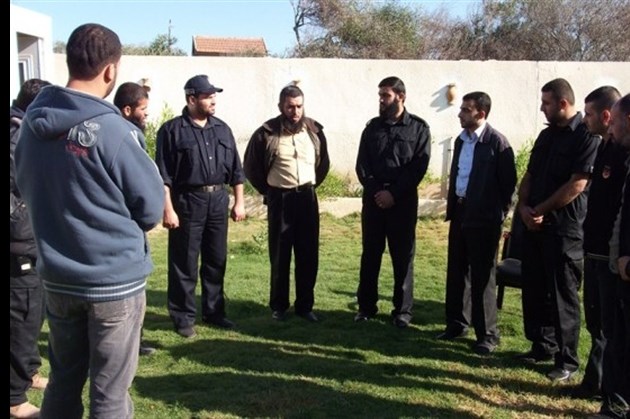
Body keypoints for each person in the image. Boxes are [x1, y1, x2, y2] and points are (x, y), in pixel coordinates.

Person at [14, 23, 165, 418]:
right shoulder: (113, 131)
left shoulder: (29, 128)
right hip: (113, 282)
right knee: (110, 394)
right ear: (111, 71)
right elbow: (151, 208)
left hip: (58, 278)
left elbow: (25, 184)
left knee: (63, 381)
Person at [515, 78, 599, 382]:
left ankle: (567, 360)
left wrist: (541, 210)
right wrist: (524, 207)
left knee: (563, 295)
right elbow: (530, 174)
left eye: (546, 103)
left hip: (564, 230)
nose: (542, 108)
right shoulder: (546, 135)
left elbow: (578, 184)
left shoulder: (586, 136)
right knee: (535, 288)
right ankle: (542, 345)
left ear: (563, 104)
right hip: (534, 225)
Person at [155, 74, 246, 338]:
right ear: (191, 99)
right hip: (187, 201)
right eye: (207, 96)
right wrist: (168, 209)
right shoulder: (172, 131)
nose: (213, 101)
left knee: (216, 259)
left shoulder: (222, 129)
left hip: (218, 200)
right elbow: (163, 175)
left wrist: (239, 202)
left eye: (214, 96)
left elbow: (236, 170)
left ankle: (214, 312)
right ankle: (183, 317)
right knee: (184, 262)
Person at [243, 82, 330, 322]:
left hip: (307, 198)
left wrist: (310, 185)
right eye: (290, 107)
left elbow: (323, 164)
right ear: (281, 106)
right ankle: (279, 306)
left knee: (308, 254)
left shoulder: (314, 131)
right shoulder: (266, 133)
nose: (295, 112)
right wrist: (269, 191)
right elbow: (250, 167)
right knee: (280, 255)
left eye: (299, 106)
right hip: (280, 199)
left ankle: (305, 306)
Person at [439, 91, 517, 355]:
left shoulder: (497, 143)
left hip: (484, 218)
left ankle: (487, 335)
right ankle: (457, 324)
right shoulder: (461, 140)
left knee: (482, 275)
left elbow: (508, 185)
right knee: (457, 270)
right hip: (460, 212)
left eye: (465, 110)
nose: (460, 114)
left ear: (481, 113)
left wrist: (497, 214)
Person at [354, 76, 431, 328]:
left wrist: (393, 194)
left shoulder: (418, 128)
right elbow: (363, 165)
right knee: (371, 254)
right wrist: (378, 192)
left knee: (403, 257)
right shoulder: (372, 128)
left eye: (385, 95)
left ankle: (402, 311)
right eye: (380, 95)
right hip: (374, 201)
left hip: (403, 202)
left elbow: (418, 167)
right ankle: (366, 307)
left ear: (401, 96)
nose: (381, 100)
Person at [571, 86, 624, 400]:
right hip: (592, 248)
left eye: (589, 114)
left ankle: (607, 389)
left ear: (606, 116)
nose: (584, 119)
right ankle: (595, 382)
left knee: (608, 324)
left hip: (609, 254)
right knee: (595, 320)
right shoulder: (602, 147)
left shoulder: (622, 153)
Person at [10, 78, 51, 418]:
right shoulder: (16, 137)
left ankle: (28, 373)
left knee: (34, 311)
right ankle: (13, 398)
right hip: (19, 242)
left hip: (30, 238)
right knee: (22, 317)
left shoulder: (25, 132)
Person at [113, 81, 158, 357]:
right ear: (128, 110)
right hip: (123, 227)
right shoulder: (122, 138)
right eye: (143, 110)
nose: (146, 115)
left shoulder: (130, 135)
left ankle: (134, 342)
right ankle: (125, 347)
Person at [598, 93, 630, 419]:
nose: (611, 128)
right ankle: (614, 404)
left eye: (616, 121)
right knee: (618, 339)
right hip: (618, 265)